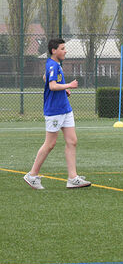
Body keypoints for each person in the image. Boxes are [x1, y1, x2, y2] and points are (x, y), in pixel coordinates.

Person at [24, 38, 91, 190]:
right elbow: (52, 85)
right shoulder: (53, 65)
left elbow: (45, 78)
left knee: (72, 141)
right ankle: (32, 175)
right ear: (54, 51)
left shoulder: (55, 65)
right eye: (62, 48)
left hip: (65, 109)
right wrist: (70, 85)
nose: (65, 51)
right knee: (50, 144)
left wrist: (64, 90)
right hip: (54, 111)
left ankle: (73, 178)